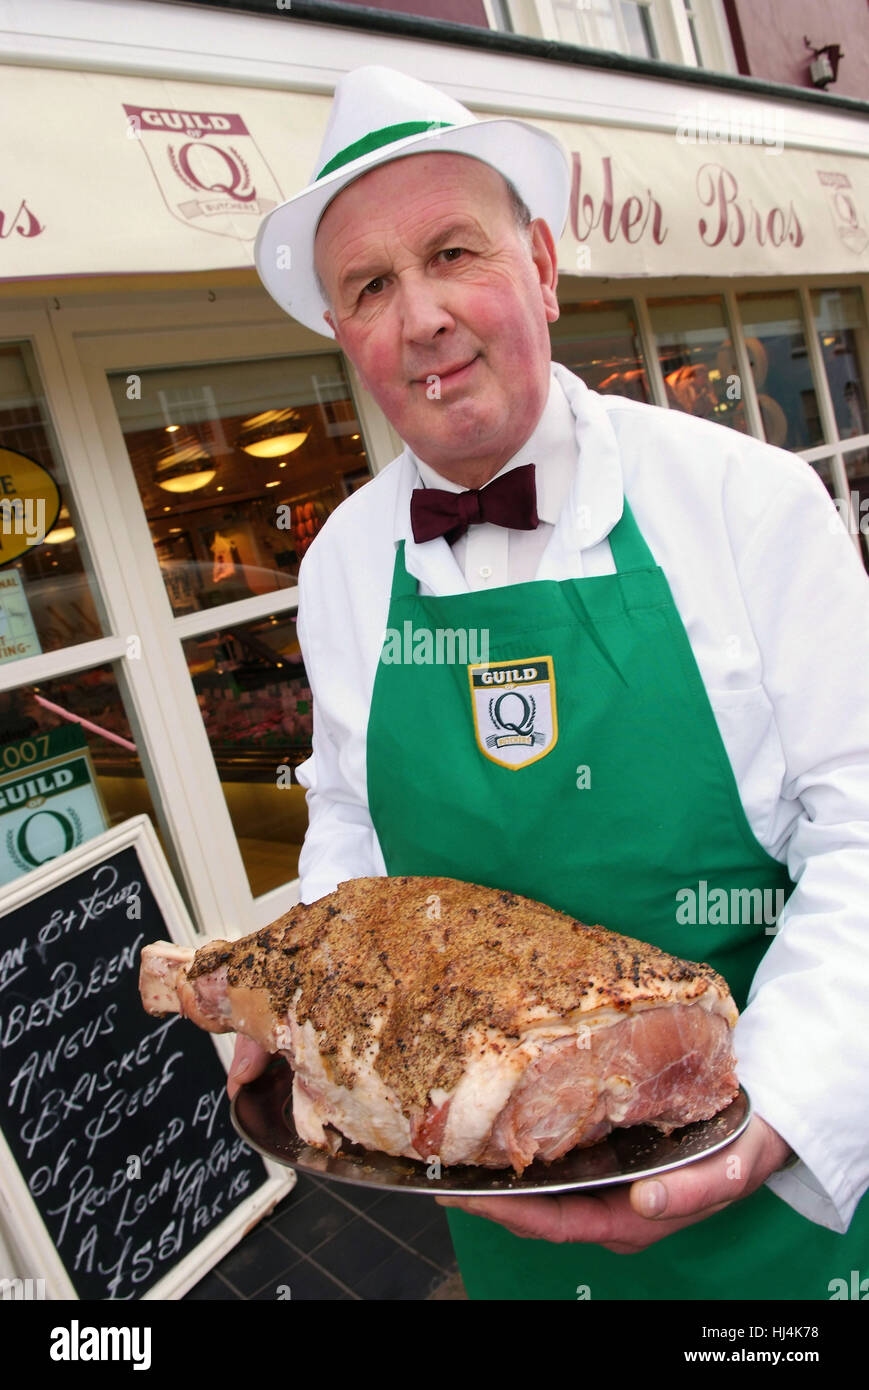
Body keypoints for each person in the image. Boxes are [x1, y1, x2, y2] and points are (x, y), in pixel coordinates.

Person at [228, 65, 869, 1300]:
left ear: (540, 266)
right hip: (495, 1205)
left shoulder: (747, 505)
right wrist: (312, 996)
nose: (419, 317)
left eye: (452, 253)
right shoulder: (341, 569)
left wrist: (766, 1124)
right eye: (369, 286)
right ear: (345, 338)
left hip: (777, 1207)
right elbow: (352, 828)